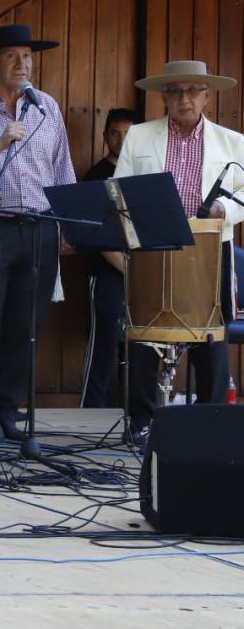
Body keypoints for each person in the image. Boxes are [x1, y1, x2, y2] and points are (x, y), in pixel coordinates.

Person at [0, 23, 76, 446]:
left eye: (27, 56)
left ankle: (7, 413)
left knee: (27, 324)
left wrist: (67, 223)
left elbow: (62, 170)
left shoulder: (47, 107)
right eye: (12, 56)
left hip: (39, 227)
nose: (22, 64)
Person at [110, 61, 243, 439]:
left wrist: (225, 209)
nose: (184, 98)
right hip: (154, 247)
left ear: (206, 96)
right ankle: (141, 422)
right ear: (164, 97)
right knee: (144, 334)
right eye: (176, 91)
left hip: (210, 248)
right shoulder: (139, 136)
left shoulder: (232, 142)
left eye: (192, 91)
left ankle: (210, 424)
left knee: (211, 337)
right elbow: (120, 188)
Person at [81, 108, 137, 408]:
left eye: (128, 133)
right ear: (105, 136)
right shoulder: (96, 176)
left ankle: (134, 413)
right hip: (106, 274)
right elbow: (98, 235)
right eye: (115, 132)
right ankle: (90, 413)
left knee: (136, 348)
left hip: (141, 274)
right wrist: (130, 270)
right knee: (102, 345)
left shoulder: (142, 174)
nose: (121, 139)